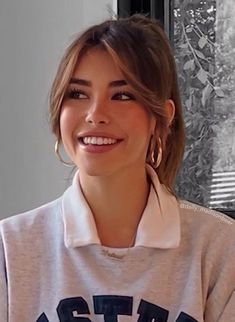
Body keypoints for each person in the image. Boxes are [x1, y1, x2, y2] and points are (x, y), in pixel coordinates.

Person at [0, 14, 234, 322]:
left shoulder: (219, 249)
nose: (95, 114)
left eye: (122, 95)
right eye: (78, 94)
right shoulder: (10, 249)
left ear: (161, 118)